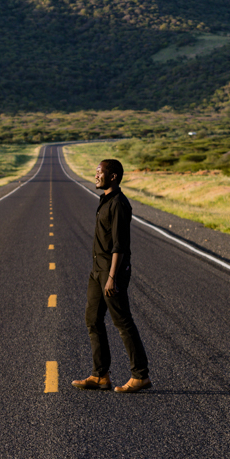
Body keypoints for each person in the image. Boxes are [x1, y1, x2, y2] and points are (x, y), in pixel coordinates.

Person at [72, 158, 151, 393]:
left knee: (122, 322)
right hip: (98, 270)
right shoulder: (105, 200)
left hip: (110, 272)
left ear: (113, 176)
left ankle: (140, 375)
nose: (96, 176)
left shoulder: (118, 203)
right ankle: (100, 375)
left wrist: (112, 277)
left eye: (100, 172)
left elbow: (120, 245)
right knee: (93, 319)